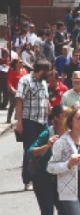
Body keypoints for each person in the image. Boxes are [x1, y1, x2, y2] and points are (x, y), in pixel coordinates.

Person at [27, 105, 69, 215]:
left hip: (60, 179)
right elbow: (30, 152)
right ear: (56, 118)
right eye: (64, 115)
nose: (68, 117)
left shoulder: (70, 134)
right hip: (43, 179)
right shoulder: (48, 133)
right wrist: (47, 146)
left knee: (65, 214)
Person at [15, 60, 52, 191]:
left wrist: (49, 110)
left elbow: (46, 99)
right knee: (30, 150)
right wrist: (19, 123)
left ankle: (43, 176)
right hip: (29, 121)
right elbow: (19, 102)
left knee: (48, 147)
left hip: (43, 121)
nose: (49, 74)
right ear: (41, 70)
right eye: (47, 71)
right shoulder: (25, 81)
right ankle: (28, 179)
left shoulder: (43, 82)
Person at [7, 58, 28, 123]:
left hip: (23, 90)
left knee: (23, 105)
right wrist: (12, 89)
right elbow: (9, 82)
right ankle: (9, 118)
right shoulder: (12, 72)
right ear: (16, 64)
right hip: (15, 91)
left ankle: (20, 117)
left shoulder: (24, 71)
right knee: (12, 104)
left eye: (22, 62)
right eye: (20, 62)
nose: (21, 64)